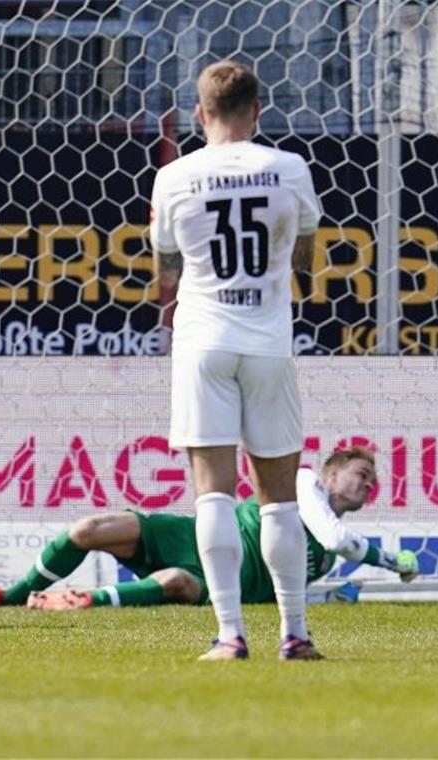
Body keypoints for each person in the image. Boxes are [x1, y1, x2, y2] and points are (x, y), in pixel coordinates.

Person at [149, 61, 322, 660]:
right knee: (278, 499)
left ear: (200, 114)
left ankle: (229, 635)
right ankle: (295, 634)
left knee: (213, 496)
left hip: (204, 342)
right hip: (269, 343)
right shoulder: (289, 168)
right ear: (257, 111)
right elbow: (302, 257)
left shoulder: (174, 176)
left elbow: (167, 270)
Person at [0, 447, 418, 614]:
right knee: (88, 528)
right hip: (193, 535)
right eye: (361, 473)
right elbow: (337, 536)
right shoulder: (300, 482)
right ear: (331, 474)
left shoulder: (327, 560)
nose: (368, 483)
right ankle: (11, 597)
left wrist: (330, 596)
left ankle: (83, 602)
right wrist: (392, 562)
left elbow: (281, 595)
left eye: (372, 481)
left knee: (175, 583)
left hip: (221, 581)